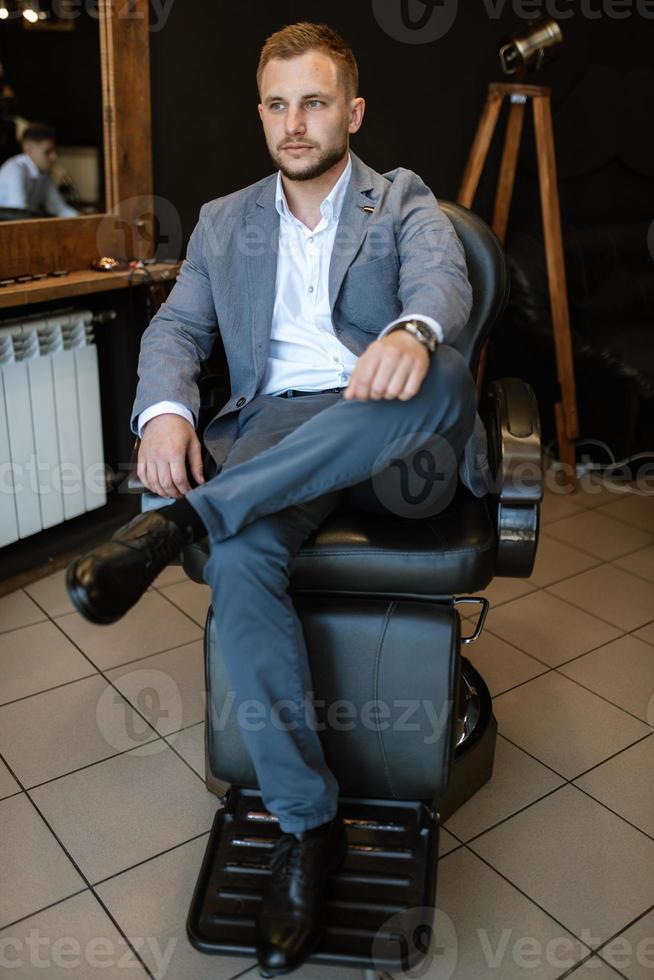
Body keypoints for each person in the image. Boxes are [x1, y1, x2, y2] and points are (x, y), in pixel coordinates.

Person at [66, 22, 489, 976]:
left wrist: (414, 332)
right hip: (273, 436)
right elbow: (176, 329)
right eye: (277, 104)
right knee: (248, 555)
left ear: (353, 111)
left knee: (445, 376)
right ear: (261, 113)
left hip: (387, 437)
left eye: (315, 101)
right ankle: (308, 825)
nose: (295, 123)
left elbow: (442, 281)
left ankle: (181, 521)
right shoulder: (224, 221)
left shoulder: (403, 200)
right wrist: (165, 413)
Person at [0, 122, 79, 216]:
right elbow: (19, 214)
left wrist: (84, 220)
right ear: (29, 151)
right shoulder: (15, 170)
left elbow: (58, 207)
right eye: (48, 152)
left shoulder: (44, 173)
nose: (54, 157)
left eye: (54, 151)